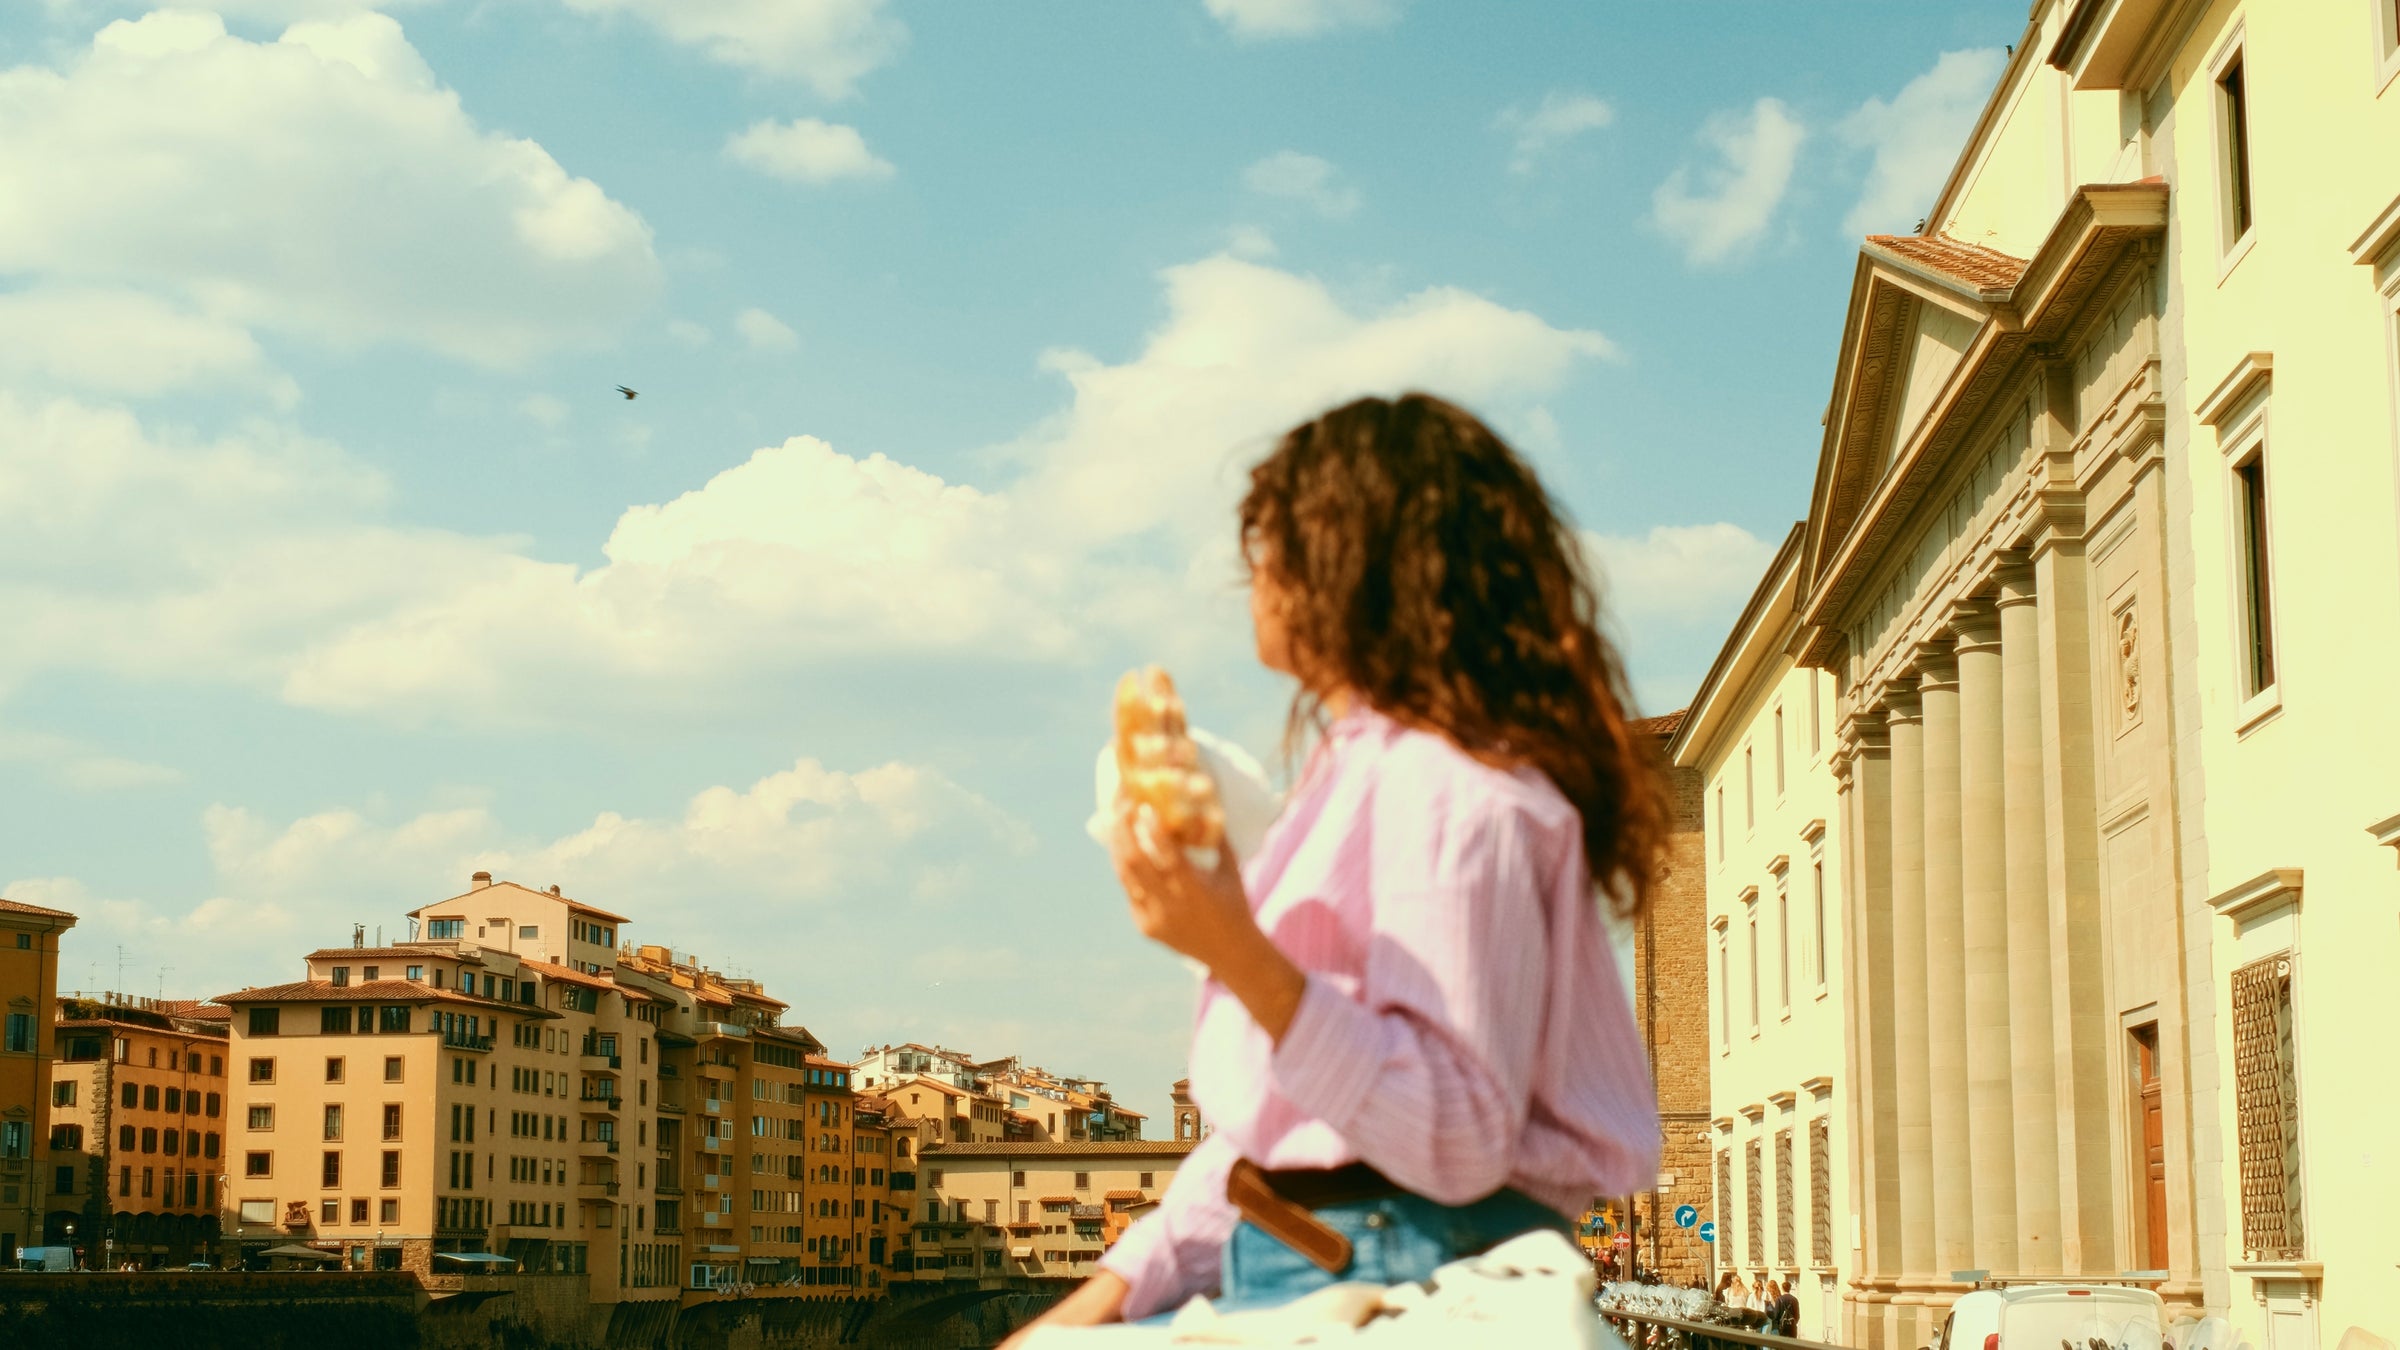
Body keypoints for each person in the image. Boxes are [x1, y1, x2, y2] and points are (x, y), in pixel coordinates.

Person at [1004, 394, 1668, 1341]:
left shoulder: (1445, 787)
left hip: (1402, 1269)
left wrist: (1233, 949)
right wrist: (1090, 1306)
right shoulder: (1371, 774)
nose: (1253, 577)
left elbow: (1453, 1133)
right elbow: (1283, 1136)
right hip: (1330, 1257)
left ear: (1348, 562)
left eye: (1271, 547)